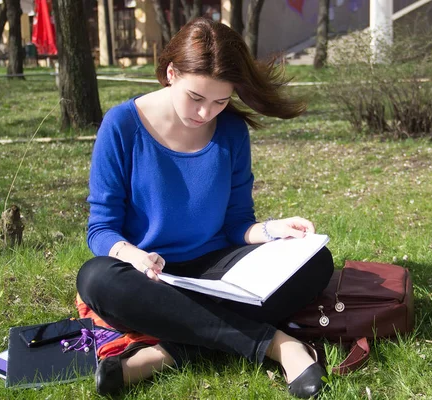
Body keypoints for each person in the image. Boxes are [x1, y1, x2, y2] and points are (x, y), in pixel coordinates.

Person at [76, 17, 334, 399]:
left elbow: (236, 224)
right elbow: (101, 229)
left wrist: (272, 230)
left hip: (216, 270)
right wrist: (132, 255)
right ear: (171, 73)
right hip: (149, 279)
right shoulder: (122, 125)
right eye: (196, 98)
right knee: (96, 278)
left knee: (317, 262)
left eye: (220, 101)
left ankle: (169, 353)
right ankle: (280, 346)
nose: (205, 114)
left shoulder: (230, 131)